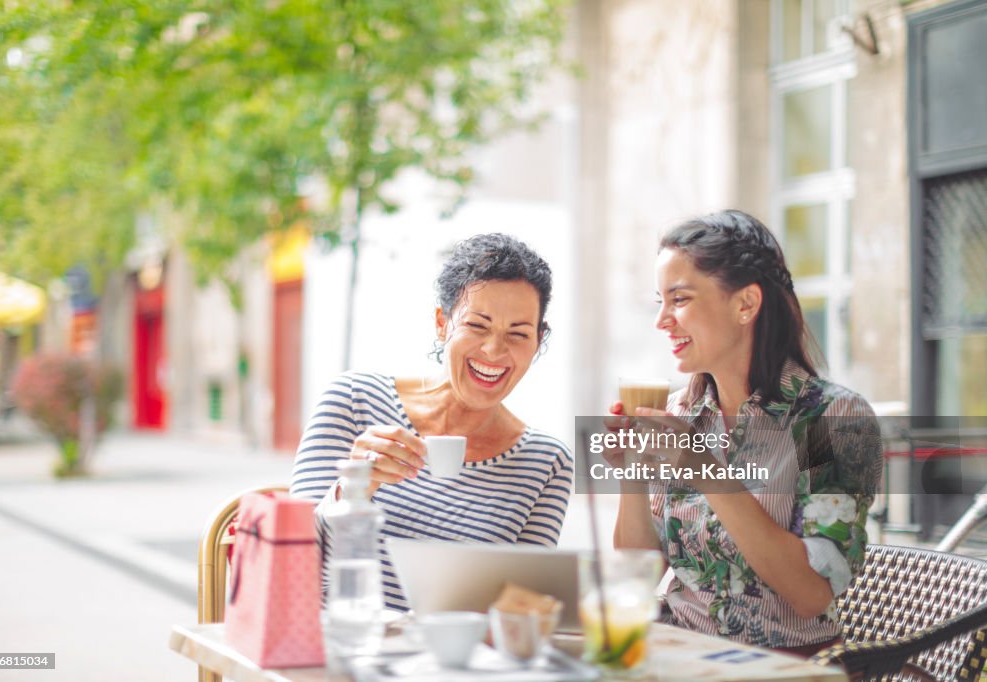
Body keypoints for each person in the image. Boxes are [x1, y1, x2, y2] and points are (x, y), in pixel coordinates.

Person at [609, 210, 882, 655]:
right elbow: (636, 577)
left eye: (678, 299)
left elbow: (811, 593)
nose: (662, 320)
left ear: (745, 305)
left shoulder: (832, 418)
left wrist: (704, 468)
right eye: (659, 301)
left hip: (782, 665)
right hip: (675, 653)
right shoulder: (681, 411)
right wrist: (632, 469)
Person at [291, 233, 574, 611]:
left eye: (518, 333)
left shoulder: (547, 461)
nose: (494, 350)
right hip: (337, 649)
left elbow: (518, 610)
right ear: (443, 324)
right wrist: (351, 489)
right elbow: (291, 561)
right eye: (477, 325)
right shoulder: (355, 398)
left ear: (537, 343)